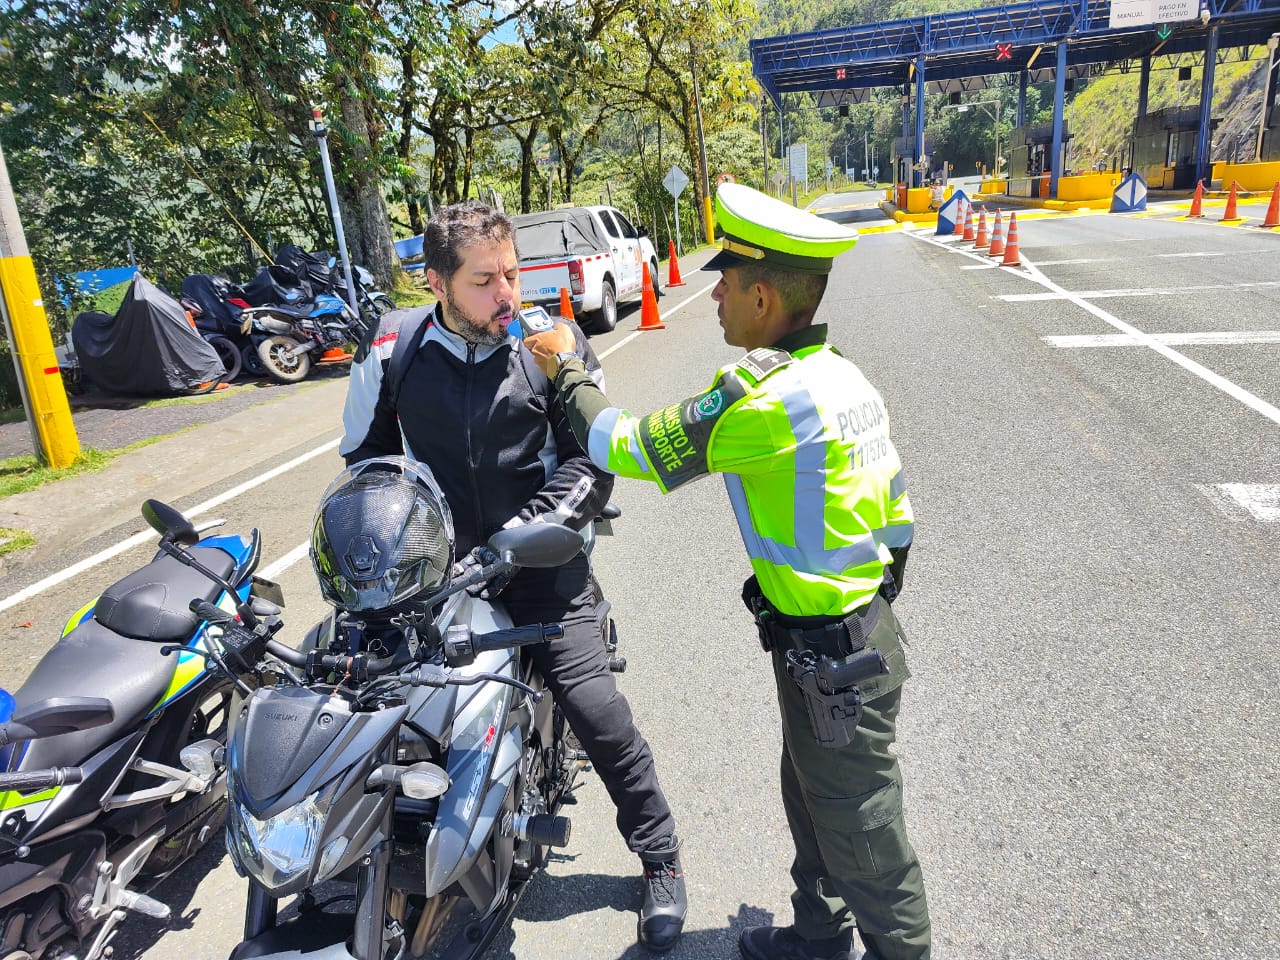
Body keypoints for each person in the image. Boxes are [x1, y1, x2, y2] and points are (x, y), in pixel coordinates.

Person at [524, 183, 933, 960]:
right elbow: (898, 518)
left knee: (867, 837)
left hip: (837, 654)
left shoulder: (769, 403)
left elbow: (624, 444)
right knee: (815, 802)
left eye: (726, 283)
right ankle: (819, 937)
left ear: (763, 297)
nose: (712, 295)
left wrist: (566, 370)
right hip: (842, 641)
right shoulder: (842, 377)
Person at [340, 200, 687, 953]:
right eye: (484, 280)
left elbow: (593, 460)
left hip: (539, 564)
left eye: (512, 273)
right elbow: (366, 465)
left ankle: (659, 853)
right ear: (436, 283)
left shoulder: (551, 343)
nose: (507, 293)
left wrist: (518, 537)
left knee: (596, 711)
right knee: (357, 693)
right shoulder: (393, 349)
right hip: (433, 573)